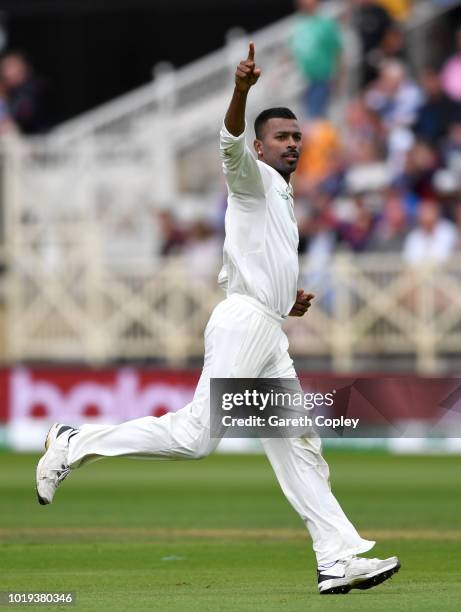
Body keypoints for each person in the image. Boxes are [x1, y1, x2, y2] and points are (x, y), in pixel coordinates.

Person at [36, 42, 400, 595]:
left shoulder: (280, 193)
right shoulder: (251, 177)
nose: (293, 145)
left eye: (298, 138)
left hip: (267, 329)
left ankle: (338, 557)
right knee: (196, 437)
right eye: (282, 137)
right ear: (260, 145)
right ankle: (75, 440)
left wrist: (286, 304)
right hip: (243, 324)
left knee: (298, 442)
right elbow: (228, 143)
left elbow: (255, 261)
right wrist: (241, 90)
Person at [290, 0, 342, 118]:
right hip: (304, 80)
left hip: (322, 78)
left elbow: (337, 51)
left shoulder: (325, 23)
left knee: (317, 117)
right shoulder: (298, 23)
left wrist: (337, 76)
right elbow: (294, 51)